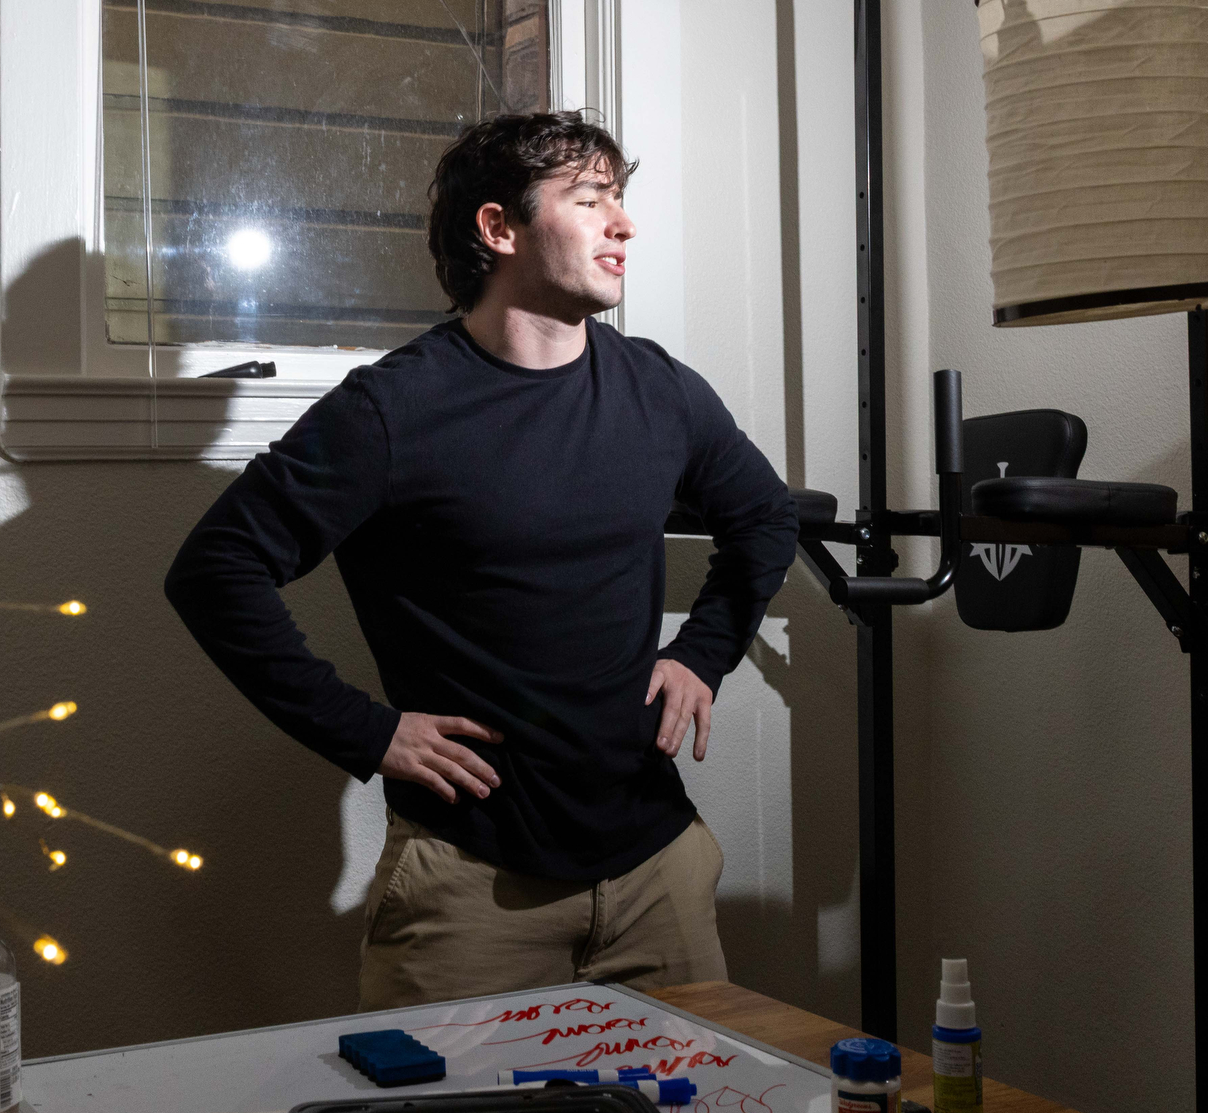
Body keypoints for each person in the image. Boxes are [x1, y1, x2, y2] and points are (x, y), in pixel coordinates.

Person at [165, 111, 798, 1009]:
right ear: (499, 229)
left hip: (658, 869)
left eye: (620, 199)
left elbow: (764, 516)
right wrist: (368, 730)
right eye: (589, 200)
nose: (623, 223)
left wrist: (704, 651)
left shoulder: (660, 389)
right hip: (470, 886)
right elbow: (215, 568)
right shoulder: (392, 410)